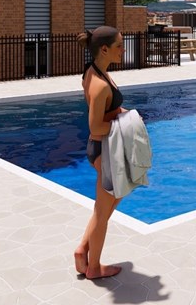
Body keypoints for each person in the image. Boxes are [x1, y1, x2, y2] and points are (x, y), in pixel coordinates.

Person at [74, 26, 125, 279]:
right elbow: (95, 126)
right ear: (104, 49)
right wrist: (125, 124)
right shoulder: (99, 85)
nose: (123, 50)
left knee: (107, 205)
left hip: (105, 150)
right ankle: (93, 267)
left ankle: (82, 250)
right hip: (103, 150)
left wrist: (123, 113)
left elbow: (109, 110)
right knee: (102, 213)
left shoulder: (96, 71)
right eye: (119, 46)